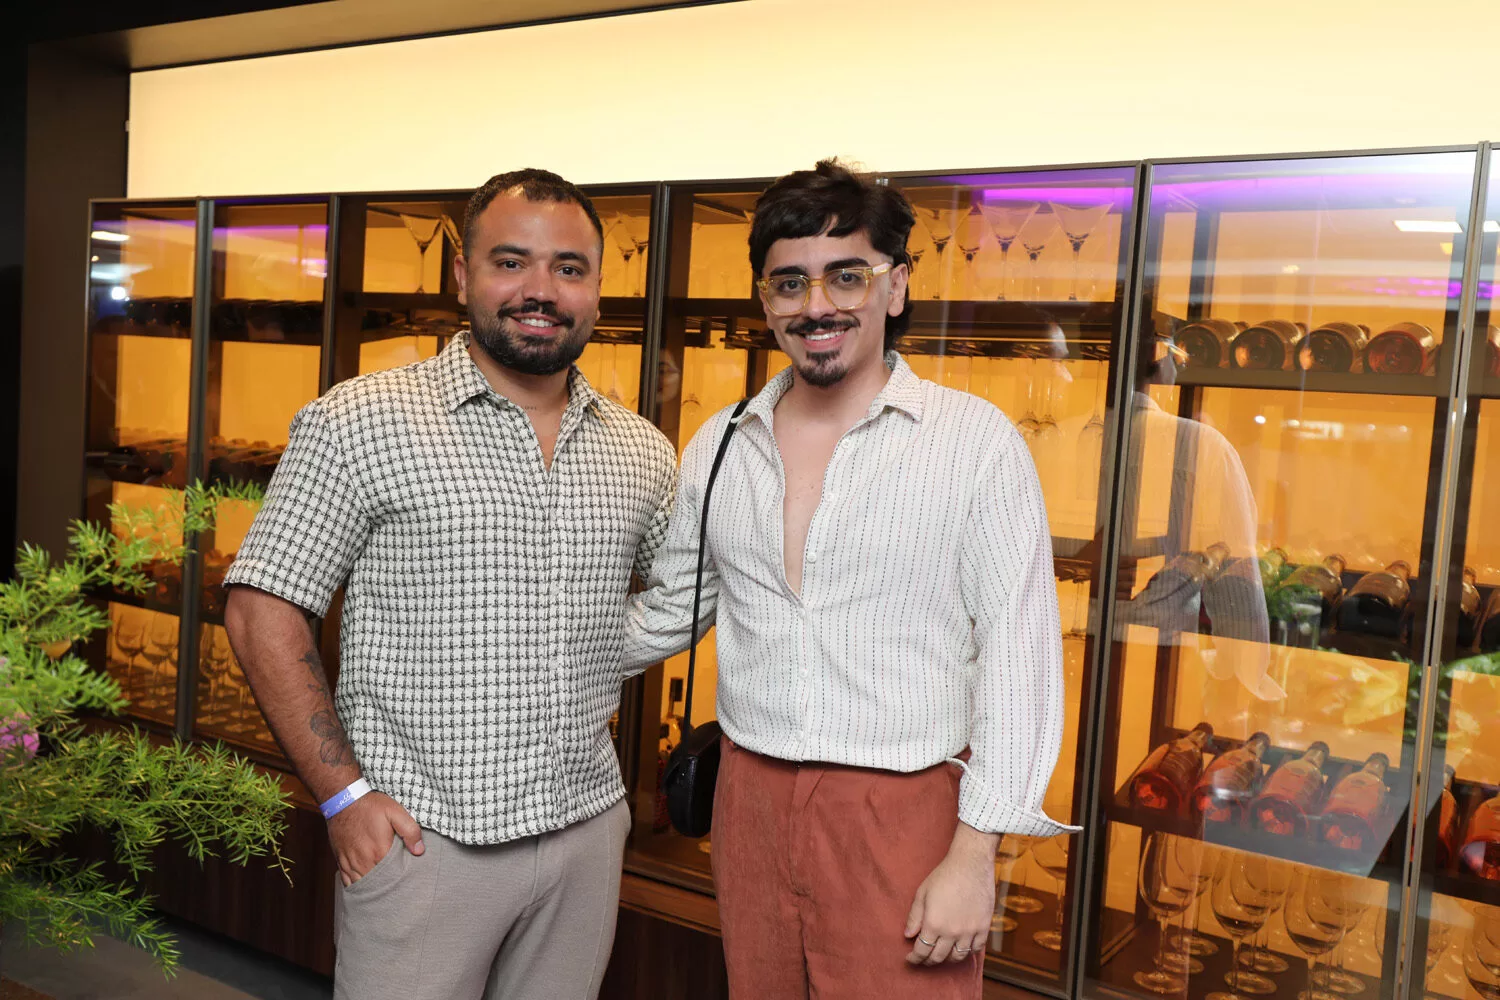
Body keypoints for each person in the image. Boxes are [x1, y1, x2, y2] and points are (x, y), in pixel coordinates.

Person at [621, 160, 1077, 999]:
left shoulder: (973, 442)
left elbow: (1020, 662)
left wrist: (976, 855)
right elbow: (670, 612)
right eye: (790, 282)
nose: (817, 305)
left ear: (895, 286)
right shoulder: (720, 442)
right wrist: (520, 624)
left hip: (903, 810)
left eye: (847, 275)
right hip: (748, 801)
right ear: (765, 301)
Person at [223, 168, 677, 1000]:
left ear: (597, 290)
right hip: (425, 841)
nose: (541, 290)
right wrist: (344, 797)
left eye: (568, 268)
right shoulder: (360, 420)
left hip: (585, 833)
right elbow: (262, 610)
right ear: (463, 275)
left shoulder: (641, 450)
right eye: (511, 262)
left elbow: (687, 591)